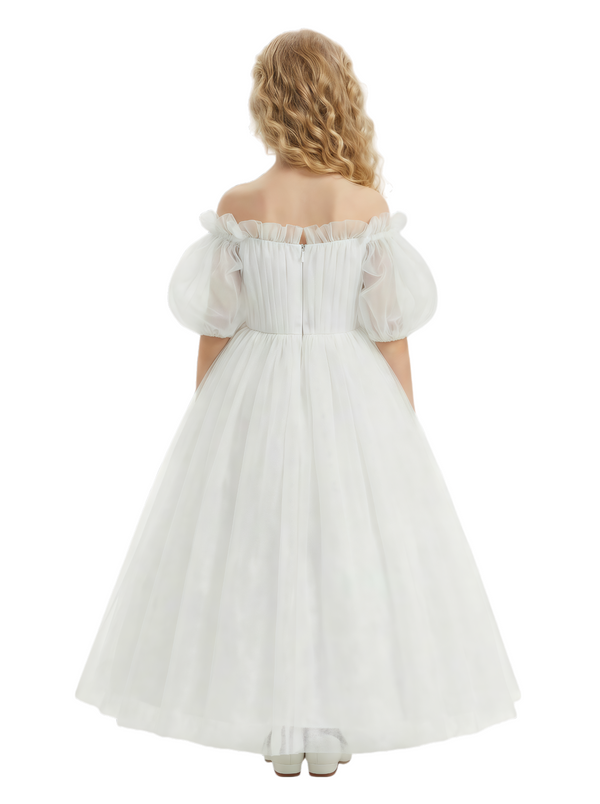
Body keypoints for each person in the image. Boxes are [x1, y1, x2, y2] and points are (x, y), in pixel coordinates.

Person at [75, 28, 520, 779]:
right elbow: (390, 333)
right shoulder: (363, 203)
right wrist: (401, 433)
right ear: (339, 98)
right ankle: (330, 721)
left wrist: (210, 424)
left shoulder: (242, 204)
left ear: (267, 104)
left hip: (254, 385)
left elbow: (216, 329)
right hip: (354, 390)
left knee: (263, 549)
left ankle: (284, 725)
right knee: (341, 551)